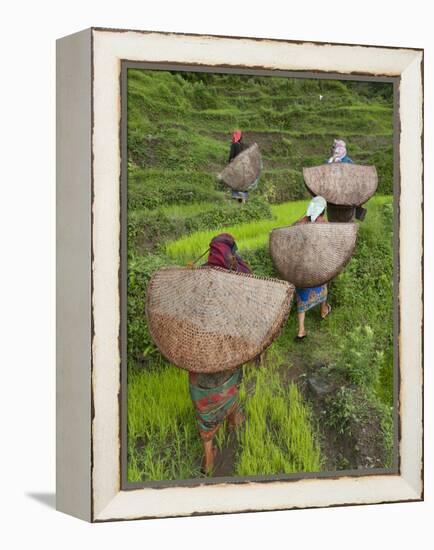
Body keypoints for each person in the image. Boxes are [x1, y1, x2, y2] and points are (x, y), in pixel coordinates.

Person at [189, 233, 250, 474]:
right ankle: (233, 419)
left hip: (199, 351)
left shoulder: (196, 278)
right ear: (231, 252)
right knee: (230, 383)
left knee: (203, 400)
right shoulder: (239, 275)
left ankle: (208, 456)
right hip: (228, 349)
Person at [294, 197, 332, 340]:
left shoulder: (299, 223)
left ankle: (301, 330)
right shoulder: (325, 224)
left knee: (302, 295)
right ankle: (323, 310)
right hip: (318, 265)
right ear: (323, 210)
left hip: (301, 266)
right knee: (322, 286)